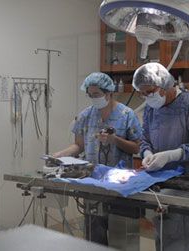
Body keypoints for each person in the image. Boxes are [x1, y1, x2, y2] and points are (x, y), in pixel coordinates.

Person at [132, 62, 189, 251]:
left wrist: (172, 155)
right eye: (141, 93)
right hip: (166, 184)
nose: (146, 97)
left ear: (164, 86)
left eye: (149, 92)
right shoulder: (151, 108)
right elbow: (145, 138)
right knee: (168, 235)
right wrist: (147, 153)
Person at [53, 72, 142, 245]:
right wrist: (60, 155)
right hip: (93, 182)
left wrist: (114, 140)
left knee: (122, 236)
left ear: (109, 93)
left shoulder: (126, 115)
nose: (94, 99)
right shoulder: (86, 115)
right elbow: (79, 145)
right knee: (94, 237)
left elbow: (137, 147)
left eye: (97, 95)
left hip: (120, 184)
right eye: (90, 95)